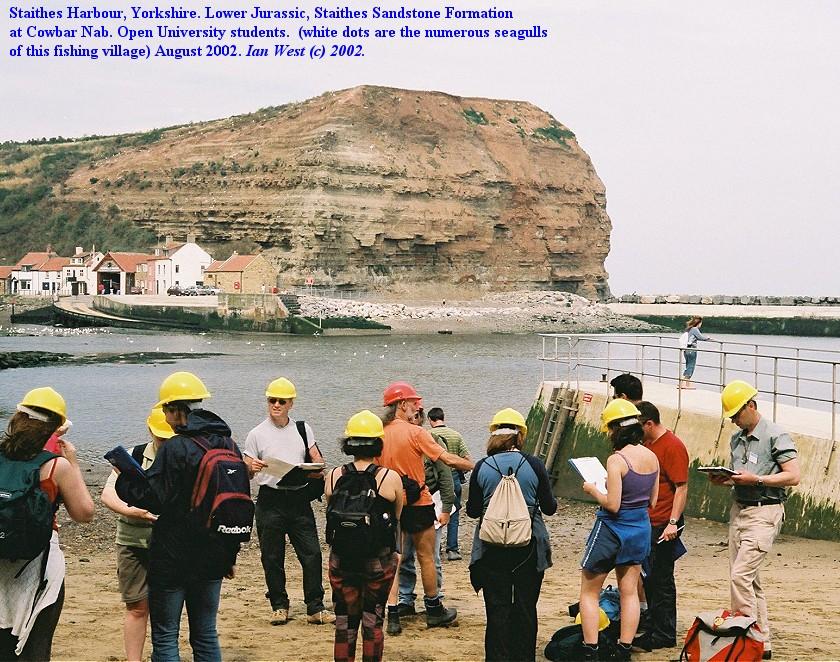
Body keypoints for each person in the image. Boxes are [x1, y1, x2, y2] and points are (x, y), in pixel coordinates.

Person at [116, 371, 244, 662]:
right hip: (215, 551)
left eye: (165, 408)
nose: (164, 415)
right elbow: (234, 502)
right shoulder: (229, 445)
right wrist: (229, 555)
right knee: (206, 634)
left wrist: (128, 478)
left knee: (165, 635)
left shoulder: (175, 447)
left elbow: (154, 500)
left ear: (177, 410)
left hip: (173, 554)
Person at [0, 387, 95, 660]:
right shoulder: (56, 467)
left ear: (17, 417)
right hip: (37, 564)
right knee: (35, 644)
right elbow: (84, 513)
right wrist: (73, 463)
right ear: (53, 430)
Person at [712, 380, 800, 660]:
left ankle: (746, 635)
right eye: (732, 417)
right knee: (750, 580)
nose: (736, 421)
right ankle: (763, 642)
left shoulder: (776, 434)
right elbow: (741, 475)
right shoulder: (736, 439)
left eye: (738, 415)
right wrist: (725, 480)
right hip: (740, 509)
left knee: (740, 576)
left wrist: (758, 479)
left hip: (765, 511)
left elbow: (793, 475)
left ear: (751, 405)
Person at [377, 381, 473, 635]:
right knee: (427, 557)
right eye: (413, 402)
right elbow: (445, 458)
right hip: (418, 502)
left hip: (388, 501)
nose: (417, 406)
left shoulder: (379, 432)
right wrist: (473, 465)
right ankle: (433, 609)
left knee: (392, 559)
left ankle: (394, 614)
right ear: (401, 404)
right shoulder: (417, 433)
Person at [466, 408, 557, 662]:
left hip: (491, 547)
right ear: (520, 436)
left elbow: (473, 511)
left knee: (496, 608)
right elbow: (549, 509)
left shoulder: (482, 466)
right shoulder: (534, 464)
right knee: (526, 607)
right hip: (528, 546)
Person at [242, 378, 334, 626]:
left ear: (291, 404)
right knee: (272, 557)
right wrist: (252, 467)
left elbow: (317, 460)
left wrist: (315, 468)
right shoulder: (256, 434)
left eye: (281, 401)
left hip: (298, 498)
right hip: (269, 499)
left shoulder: (303, 429)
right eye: (272, 400)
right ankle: (279, 606)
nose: (276, 405)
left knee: (312, 554)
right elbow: (246, 470)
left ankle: (315, 606)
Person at [577, 399, 659, 661]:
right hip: (639, 529)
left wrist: (593, 490)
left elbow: (612, 504)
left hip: (612, 529)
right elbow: (653, 501)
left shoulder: (616, 460)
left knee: (589, 591)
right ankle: (624, 649)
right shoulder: (652, 456)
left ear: (615, 430)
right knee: (629, 591)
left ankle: (591, 649)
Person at [325, 410, 404, 662]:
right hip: (378, 560)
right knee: (373, 620)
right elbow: (397, 516)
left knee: (344, 622)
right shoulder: (388, 478)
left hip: (342, 557)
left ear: (348, 444)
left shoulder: (334, 475)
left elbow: (330, 506)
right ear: (378, 444)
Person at [101, 407, 174, 662]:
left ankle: (163, 655)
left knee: (165, 609)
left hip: (168, 543)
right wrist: (133, 511)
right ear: (150, 430)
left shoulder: (181, 457)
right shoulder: (133, 455)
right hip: (132, 541)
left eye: (170, 438)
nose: (164, 443)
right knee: (136, 606)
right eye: (161, 437)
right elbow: (108, 494)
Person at [634, 401, 689, 651]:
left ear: (649, 423)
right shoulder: (647, 444)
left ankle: (664, 632)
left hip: (665, 521)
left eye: (638, 426)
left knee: (662, 579)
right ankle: (655, 626)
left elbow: (681, 487)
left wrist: (673, 523)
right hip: (649, 520)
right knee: (649, 577)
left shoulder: (672, 446)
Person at [397, 408, 454, 617]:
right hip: (404, 505)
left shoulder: (432, 441)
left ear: (422, 419)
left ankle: (434, 599)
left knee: (431, 557)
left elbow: (446, 477)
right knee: (403, 557)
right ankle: (405, 599)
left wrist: (447, 509)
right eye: (409, 417)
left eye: (415, 417)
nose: (412, 420)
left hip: (430, 503)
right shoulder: (399, 442)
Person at [427, 407, 472, 561]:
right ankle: (452, 549)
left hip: (433, 482)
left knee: (432, 513)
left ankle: (436, 546)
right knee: (454, 513)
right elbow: (467, 460)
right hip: (453, 478)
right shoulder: (456, 435)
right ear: (443, 418)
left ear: (430, 420)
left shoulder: (428, 436)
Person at [679, 316, 713, 389]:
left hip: (686, 350)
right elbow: (701, 337)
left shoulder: (689, 329)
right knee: (691, 366)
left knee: (688, 366)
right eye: (701, 323)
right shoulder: (695, 329)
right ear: (699, 323)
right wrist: (708, 338)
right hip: (692, 350)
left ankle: (685, 384)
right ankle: (683, 383)